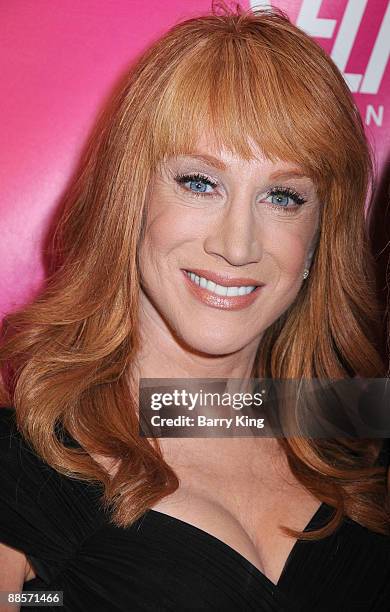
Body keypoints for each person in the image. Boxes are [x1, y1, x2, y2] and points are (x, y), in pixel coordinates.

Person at [0, 3, 389, 611]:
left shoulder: (358, 424)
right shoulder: (27, 458)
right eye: (200, 183)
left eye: (283, 196)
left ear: (320, 236)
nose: (236, 245)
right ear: (130, 198)